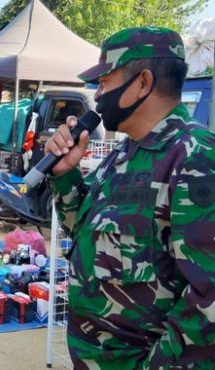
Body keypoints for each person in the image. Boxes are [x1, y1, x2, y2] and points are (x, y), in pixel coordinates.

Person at [45, 27, 215, 369]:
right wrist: (64, 176)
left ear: (143, 82)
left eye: (105, 81)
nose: (97, 94)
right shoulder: (123, 154)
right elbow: (80, 229)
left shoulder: (194, 157)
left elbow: (208, 299)